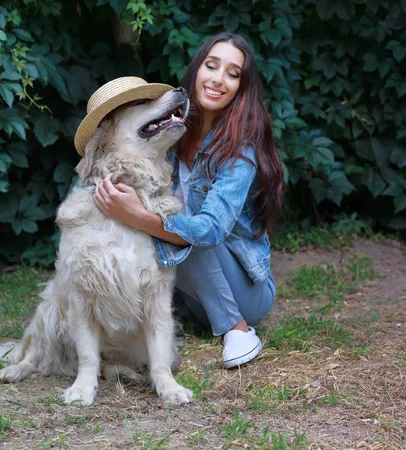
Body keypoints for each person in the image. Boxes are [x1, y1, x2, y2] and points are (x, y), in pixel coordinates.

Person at [94, 31, 283, 368]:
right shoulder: (171, 133)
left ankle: (237, 330)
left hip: (245, 293)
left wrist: (138, 216)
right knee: (152, 226)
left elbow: (209, 231)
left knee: (185, 229)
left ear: (242, 86)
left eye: (232, 73)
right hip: (190, 298)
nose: (218, 79)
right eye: (211, 66)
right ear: (197, 70)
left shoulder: (241, 150)